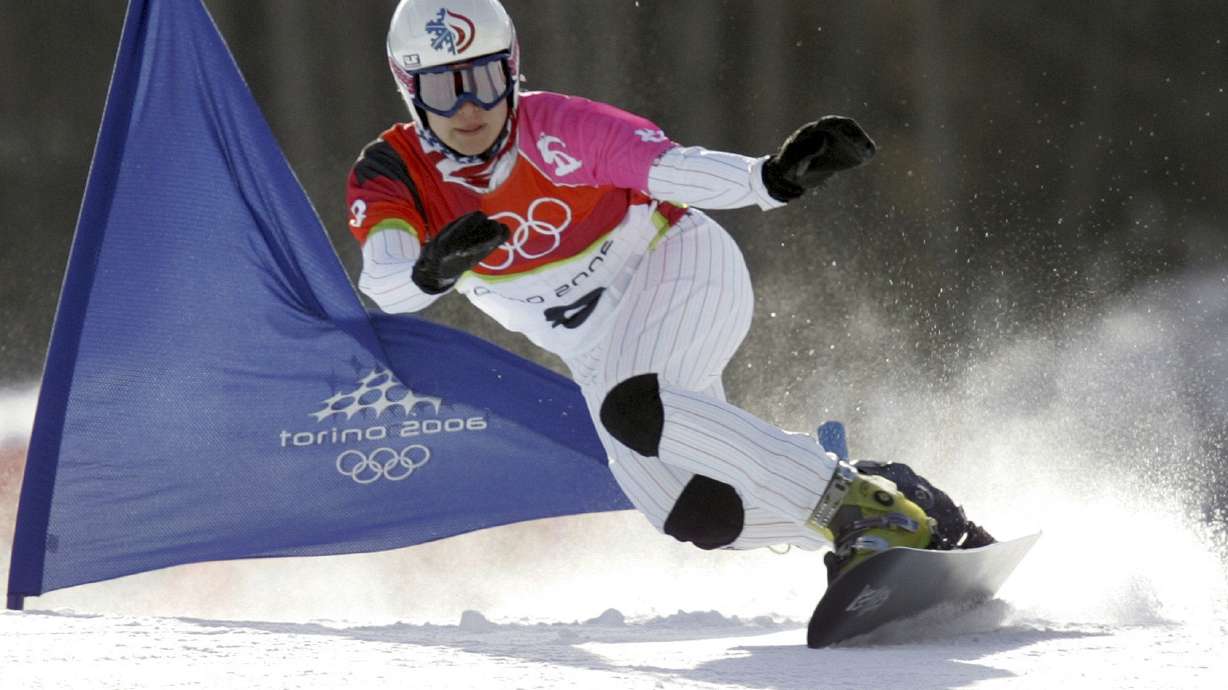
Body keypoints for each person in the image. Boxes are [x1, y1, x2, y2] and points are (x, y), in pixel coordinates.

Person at [347, 0, 992, 582]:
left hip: (678, 265)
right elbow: (384, 283)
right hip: (600, 353)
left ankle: (857, 511)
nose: (469, 109)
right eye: (443, 87)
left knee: (635, 408)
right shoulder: (392, 172)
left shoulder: (557, 126)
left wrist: (768, 180)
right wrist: (428, 273)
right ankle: (897, 506)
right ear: (410, 91)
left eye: (485, 83)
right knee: (697, 512)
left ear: (511, 73)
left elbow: (671, 167)